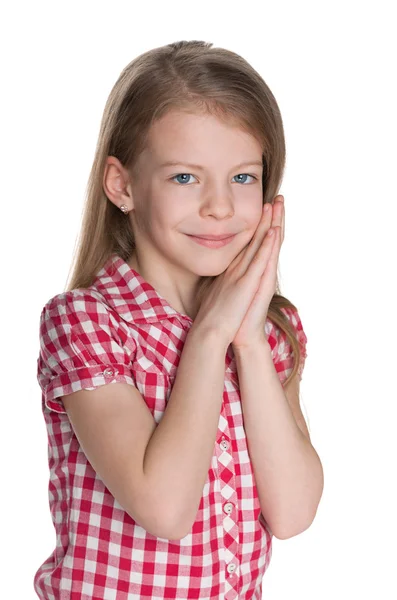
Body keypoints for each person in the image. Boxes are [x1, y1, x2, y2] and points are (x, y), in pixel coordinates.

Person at [34, 40, 323, 600]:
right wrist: (210, 336)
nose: (219, 206)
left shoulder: (268, 332)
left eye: (242, 178)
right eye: (185, 178)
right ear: (122, 186)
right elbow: (164, 508)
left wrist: (248, 341)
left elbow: (292, 512)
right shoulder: (88, 323)